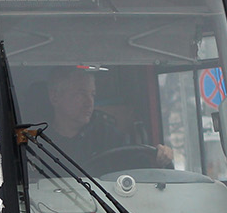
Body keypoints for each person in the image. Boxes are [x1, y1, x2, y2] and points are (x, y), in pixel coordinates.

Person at [43, 66, 173, 172]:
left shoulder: (107, 134)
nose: (89, 102)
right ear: (55, 97)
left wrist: (159, 159)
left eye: (92, 94)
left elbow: (138, 168)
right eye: (81, 94)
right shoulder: (35, 142)